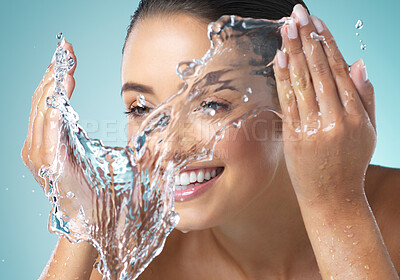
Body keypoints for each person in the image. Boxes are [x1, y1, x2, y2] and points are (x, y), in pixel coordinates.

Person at [22, 0, 400, 279]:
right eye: (140, 108)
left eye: (210, 104)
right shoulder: (138, 261)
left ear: (296, 95)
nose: (165, 144)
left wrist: (335, 205)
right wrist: (85, 220)